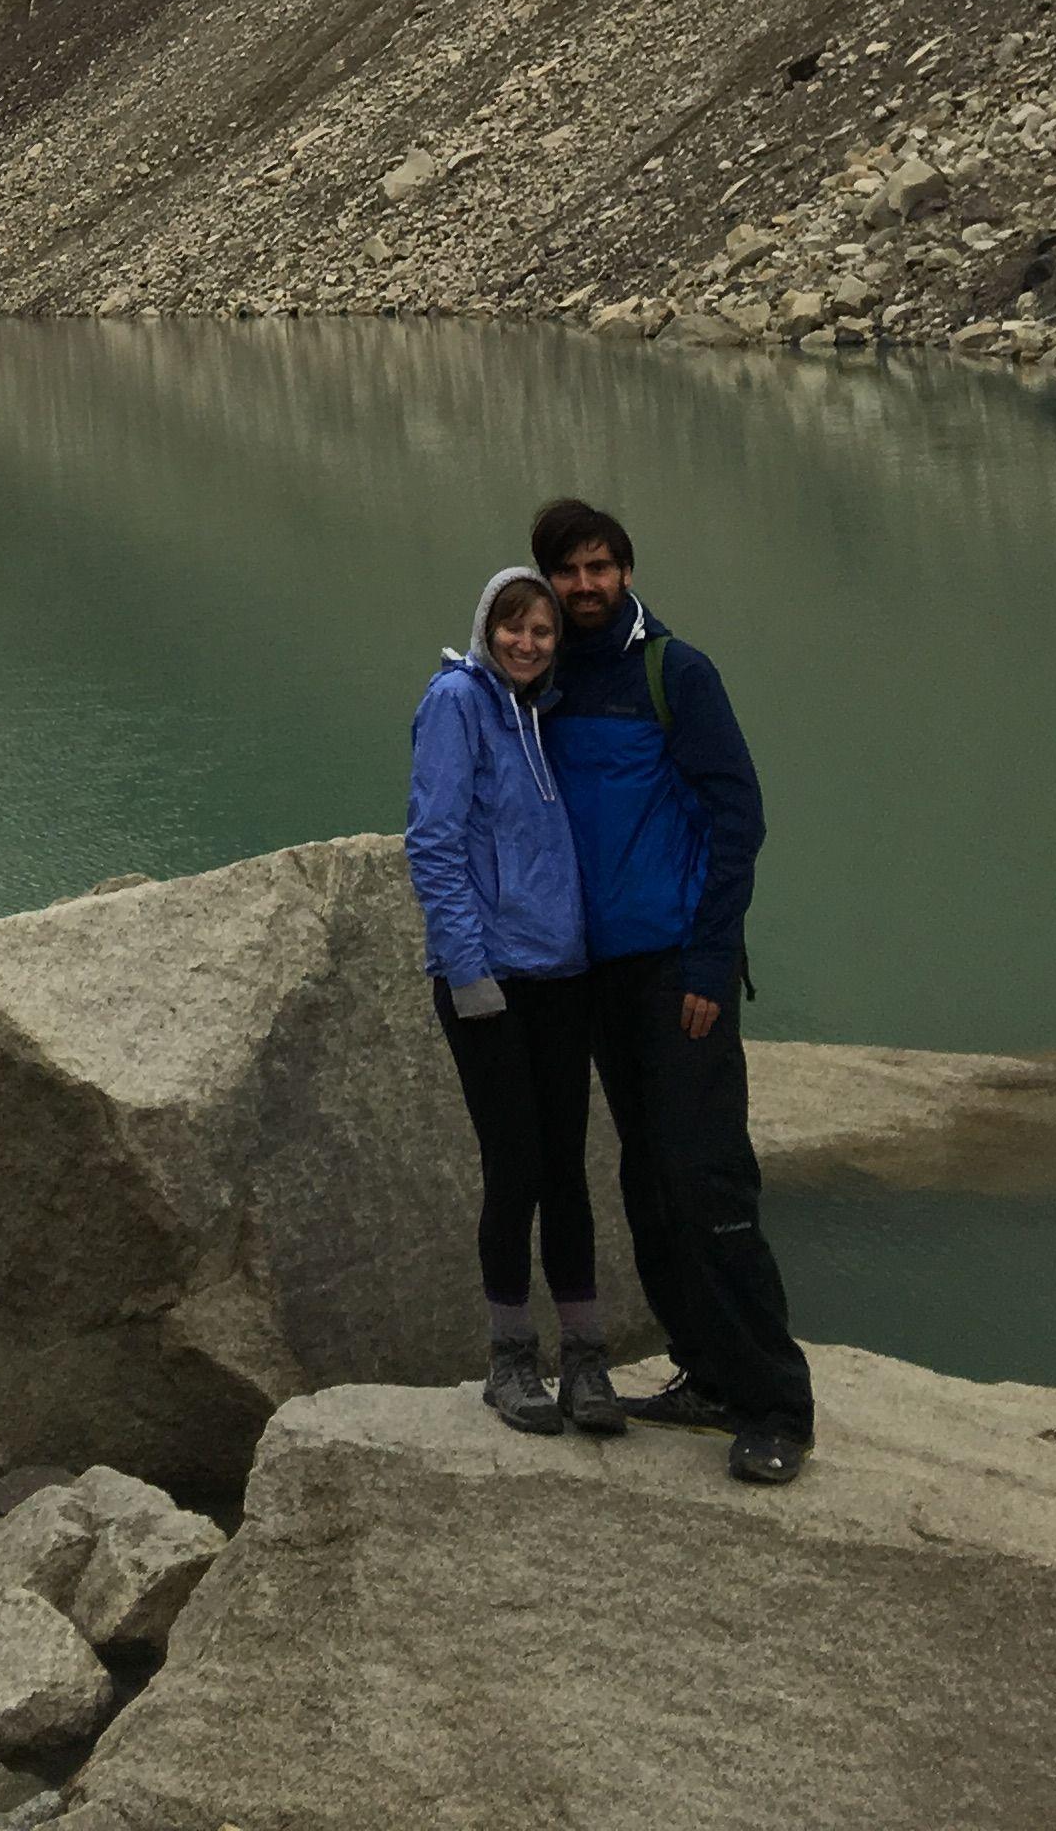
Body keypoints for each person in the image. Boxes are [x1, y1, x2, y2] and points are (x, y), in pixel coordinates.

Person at [532, 493, 816, 1486]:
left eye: (601, 566)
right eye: (568, 571)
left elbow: (738, 819)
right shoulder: (548, 676)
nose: (586, 585)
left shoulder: (675, 673)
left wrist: (708, 961)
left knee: (708, 1180)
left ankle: (777, 1400)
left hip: (675, 972)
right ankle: (707, 1370)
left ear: (627, 571)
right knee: (647, 1182)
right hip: (594, 972)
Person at [403, 564, 628, 1437]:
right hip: (489, 981)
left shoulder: (541, 712)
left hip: (560, 975)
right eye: (513, 627)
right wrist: (467, 972)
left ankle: (586, 1362)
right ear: (486, 628)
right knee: (518, 1165)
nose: (527, 643)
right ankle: (509, 1361)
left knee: (567, 1168)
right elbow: (434, 841)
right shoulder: (458, 703)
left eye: (542, 631)